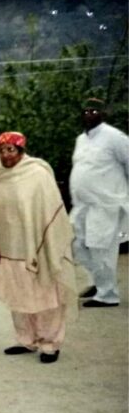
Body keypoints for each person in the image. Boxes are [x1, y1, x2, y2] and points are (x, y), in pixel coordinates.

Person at [0, 131, 77, 363]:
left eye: (10, 150)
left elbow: (51, 211)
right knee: (18, 295)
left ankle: (50, 344)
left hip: (38, 246)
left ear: (21, 150)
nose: (5, 155)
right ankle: (26, 339)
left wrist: (47, 244)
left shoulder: (38, 173)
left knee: (45, 296)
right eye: (1, 150)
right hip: (10, 247)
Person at [70, 98, 129, 307]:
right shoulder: (81, 139)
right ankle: (99, 282)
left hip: (106, 204)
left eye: (94, 111)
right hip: (82, 205)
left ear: (103, 114)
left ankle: (108, 295)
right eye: (86, 111)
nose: (89, 114)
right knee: (76, 244)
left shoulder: (115, 137)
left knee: (101, 248)